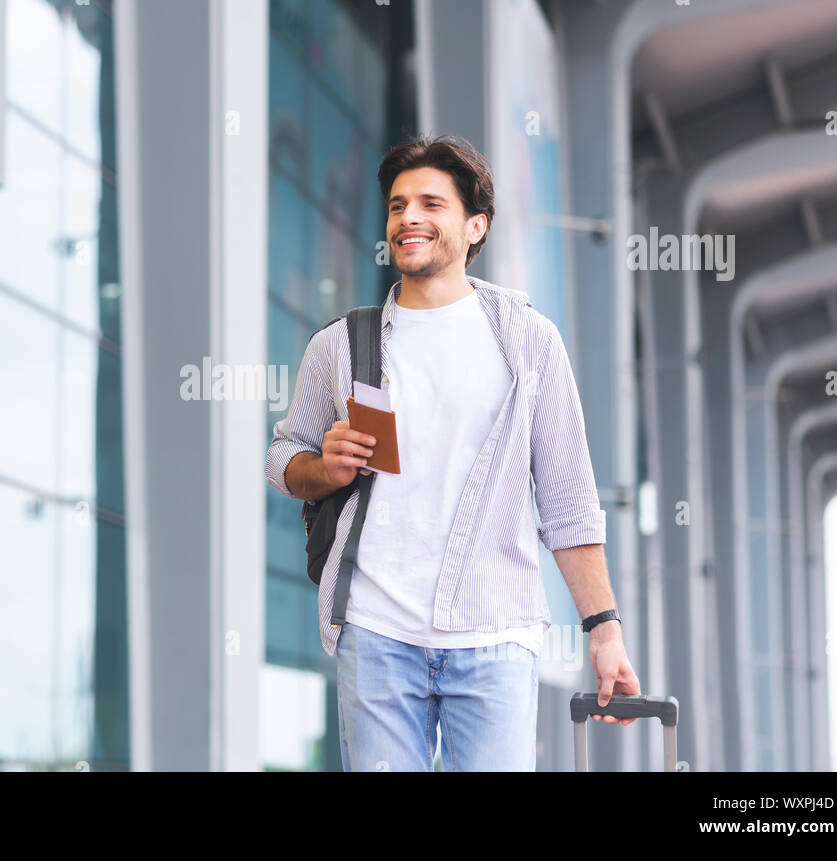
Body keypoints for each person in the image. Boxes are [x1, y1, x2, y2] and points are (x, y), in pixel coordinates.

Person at [265, 134, 640, 771]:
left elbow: (568, 499)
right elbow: (283, 459)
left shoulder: (528, 343)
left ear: (475, 226)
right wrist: (321, 468)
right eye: (397, 205)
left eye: (431, 204)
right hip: (376, 633)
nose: (408, 217)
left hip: (494, 636)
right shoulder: (341, 345)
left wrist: (603, 632)